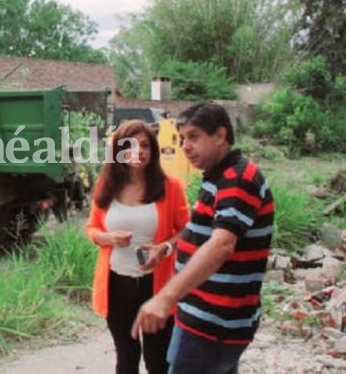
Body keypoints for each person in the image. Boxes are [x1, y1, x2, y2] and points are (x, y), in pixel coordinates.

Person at [131, 103, 275, 374]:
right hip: (205, 316)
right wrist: (167, 246)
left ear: (220, 135)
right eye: (183, 138)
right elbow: (202, 229)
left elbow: (221, 244)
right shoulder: (217, 177)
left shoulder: (238, 179)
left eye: (194, 136)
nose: (185, 146)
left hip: (213, 323)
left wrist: (165, 297)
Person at [86, 120, 190, 374]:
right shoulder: (106, 186)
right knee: (126, 357)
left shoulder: (170, 186)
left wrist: (164, 247)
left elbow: (188, 229)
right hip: (116, 285)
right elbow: (93, 230)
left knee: (158, 359)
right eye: (130, 145)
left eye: (144, 145)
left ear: (153, 150)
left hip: (156, 284)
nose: (138, 151)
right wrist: (109, 238)